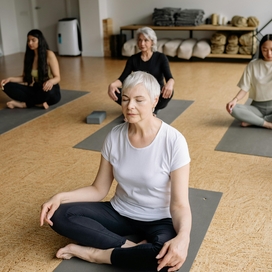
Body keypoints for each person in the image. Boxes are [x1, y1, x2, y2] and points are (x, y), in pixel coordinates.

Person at [40, 71, 191, 272]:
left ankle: (95, 254)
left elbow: (180, 205)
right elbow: (98, 189)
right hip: (120, 211)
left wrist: (183, 238)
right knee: (58, 215)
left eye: (139, 100)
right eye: (126, 99)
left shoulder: (174, 141)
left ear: (155, 101)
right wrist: (60, 197)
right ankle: (132, 249)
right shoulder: (114, 136)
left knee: (166, 262)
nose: (130, 106)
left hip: (159, 219)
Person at [108, 26, 175, 116]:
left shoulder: (161, 57)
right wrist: (112, 85)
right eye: (140, 40)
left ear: (152, 42)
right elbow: (123, 78)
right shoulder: (133, 59)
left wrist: (170, 84)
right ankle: (140, 108)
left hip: (155, 93)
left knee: (170, 92)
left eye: (146, 40)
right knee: (116, 91)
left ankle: (152, 109)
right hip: (139, 93)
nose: (142, 43)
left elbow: (169, 77)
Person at [1, 29, 61, 109]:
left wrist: (50, 82)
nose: (30, 43)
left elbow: (57, 77)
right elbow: (25, 77)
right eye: (28, 40)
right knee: (5, 85)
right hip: (36, 89)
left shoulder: (49, 54)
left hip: (50, 89)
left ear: (40, 40)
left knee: (48, 92)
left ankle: (23, 104)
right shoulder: (28, 56)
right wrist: (9, 79)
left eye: (33, 40)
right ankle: (38, 103)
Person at [226, 34, 272, 129]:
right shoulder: (253, 65)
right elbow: (245, 87)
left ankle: (254, 121)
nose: (269, 54)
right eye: (265, 50)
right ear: (260, 49)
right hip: (257, 108)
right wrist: (234, 100)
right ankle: (267, 124)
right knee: (233, 108)